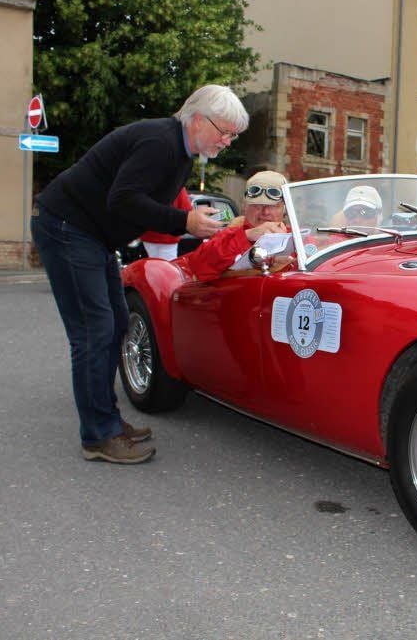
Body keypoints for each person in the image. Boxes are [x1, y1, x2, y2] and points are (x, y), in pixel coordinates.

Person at [31, 84, 247, 464]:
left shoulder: (180, 152)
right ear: (197, 120)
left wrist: (192, 222)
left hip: (90, 235)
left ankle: (108, 423)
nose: (228, 141)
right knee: (93, 330)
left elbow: (143, 203)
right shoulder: (160, 143)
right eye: (225, 132)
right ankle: (98, 435)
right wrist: (186, 221)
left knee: (116, 323)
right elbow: (124, 199)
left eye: (233, 135)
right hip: (67, 226)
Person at [174, 170, 290, 282]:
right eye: (257, 205)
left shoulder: (297, 239)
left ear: (285, 209)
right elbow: (199, 268)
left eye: (273, 206)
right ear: (245, 207)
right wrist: (247, 236)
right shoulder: (229, 235)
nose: (265, 212)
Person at [139, 187, 193, 260]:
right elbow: (187, 209)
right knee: (167, 267)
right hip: (169, 235)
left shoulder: (148, 183)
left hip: (148, 234)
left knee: (151, 265)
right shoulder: (177, 184)